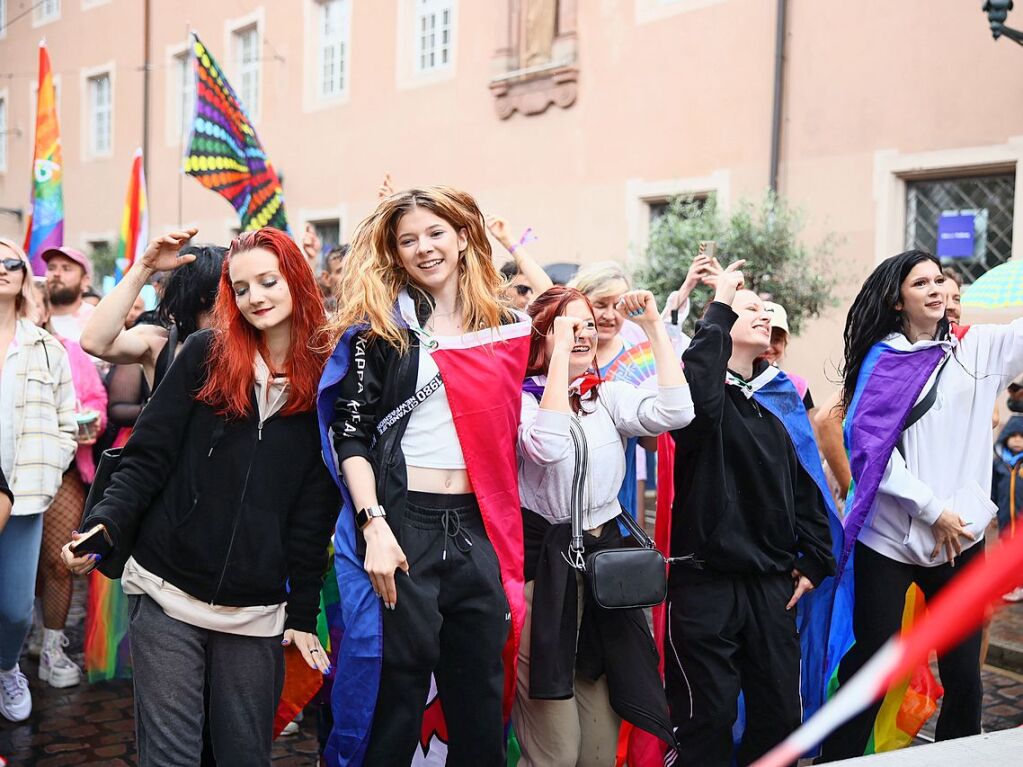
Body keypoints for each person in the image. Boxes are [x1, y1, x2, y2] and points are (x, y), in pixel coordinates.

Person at [61, 228, 338, 765]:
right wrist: (106, 525)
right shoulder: (206, 353)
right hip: (167, 588)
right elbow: (148, 455)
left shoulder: (326, 378)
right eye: (240, 287)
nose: (254, 296)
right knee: (170, 757)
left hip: (255, 610)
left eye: (267, 281)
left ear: (296, 282)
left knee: (243, 754)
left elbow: (313, 511)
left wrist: (302, 611)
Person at [321, 186, 530, 766]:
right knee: (397, 694)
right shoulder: (381, 333)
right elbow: (352, 434)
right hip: (403, 522)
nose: (424, 248)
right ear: (396, 253)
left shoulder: (507, 329)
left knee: (481, 699)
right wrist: (374, 526)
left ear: (463, 238)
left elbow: (564, 313)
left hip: (477, 529)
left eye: (436, 233)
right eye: (408, 239)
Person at [819, 250, 1023, 760]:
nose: (936, 289)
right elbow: (870, 450)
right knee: (875, 662)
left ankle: (955, 756)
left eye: (940, 280)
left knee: (963, 673)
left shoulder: (979, 349)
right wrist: (935, 510)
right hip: (889, 541)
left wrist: (961, 518)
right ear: (897, 300)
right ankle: (836, 757)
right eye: (921, 283)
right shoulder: (884, 361)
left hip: (962, 543)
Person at [665, 266, 836, 767]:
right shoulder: (702, 393)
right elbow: (696, 398)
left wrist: (817, 559)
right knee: (708, 718)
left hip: (771, 585)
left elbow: (806, 485)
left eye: (765, 309)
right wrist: (719, 300)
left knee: (781, 717)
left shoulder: (780, 397)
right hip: (706, 581)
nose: (762, 314)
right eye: (749, 309)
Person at [513, 285, 691, 765]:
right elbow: (547, 447)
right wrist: (555, 364)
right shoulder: (523, 403)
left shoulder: (604, 396)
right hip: (545, 577)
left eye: (587, 324)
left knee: (596, 749)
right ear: (540, 338)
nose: (583, 334)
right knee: (557, 750)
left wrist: (654, 325)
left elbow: (677, 411)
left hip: (604, 574)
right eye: (567, 326)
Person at [0, 239, 77, 722]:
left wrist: (50, 466)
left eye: (10, 262)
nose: (1, 269)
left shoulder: (46, 347)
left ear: (24, 276)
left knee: (11, 609)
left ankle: (7, 668)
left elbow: (68, 421)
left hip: (25, 495)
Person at [28, 280, 107, 688]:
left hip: (63, 470)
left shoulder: (67, 350)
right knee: (23, 570)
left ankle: (52, 648)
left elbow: (96, 400)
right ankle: (23, 637)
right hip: (9, 475)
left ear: (43, 309)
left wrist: (90, 424)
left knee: (59, 562)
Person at [80, 230, 225, 392]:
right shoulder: (159, 343)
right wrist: (145, 266)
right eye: (237, 287)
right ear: (205, 294)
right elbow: (94, 342)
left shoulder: (250, 341)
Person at [485, 215, 554, 308]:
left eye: (532, 291)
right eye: (523, 289)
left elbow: (547, 292)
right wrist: (506, 240)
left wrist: (508, 239)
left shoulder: (530, 315)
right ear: (502, 288)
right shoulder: (489, 312)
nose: (529, 296)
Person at [992, 416, 1023, 601]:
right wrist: (993, 513)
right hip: (1006, 520)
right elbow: (993, 490)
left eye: (1022, 435)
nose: (1018, 440)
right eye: (1013, 435)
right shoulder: (999, 464)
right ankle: (1015, 584)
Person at [43, 246, 95, 343]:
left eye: (66, 269)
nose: (56, 274)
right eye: (51, 268)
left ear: (84, 280)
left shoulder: (98, 322)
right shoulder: (30, 317)